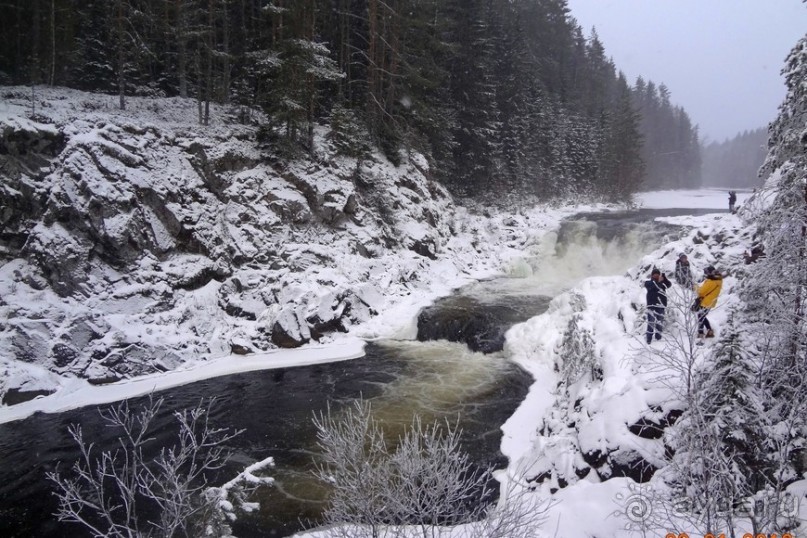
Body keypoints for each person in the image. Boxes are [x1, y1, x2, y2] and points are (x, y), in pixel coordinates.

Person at [645, 268, 672, 344]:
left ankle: (658, 338)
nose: (656, 275)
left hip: (661, 305)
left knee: (659, 323)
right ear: (652, 275)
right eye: (655, 274)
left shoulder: (663, 283)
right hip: (651, 306)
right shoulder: (648, 283)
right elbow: (654, 286)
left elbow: (669, 284)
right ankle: (649, 339)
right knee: (651, 323)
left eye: (658, 274)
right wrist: (659, 282)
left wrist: (664, 277)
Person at [696, 265, 723, 338]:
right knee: (702, 316)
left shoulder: (711, 281)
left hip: (705, 301)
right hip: (711, 302)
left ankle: (701, 333)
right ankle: (709, 331)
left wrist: (695, 287)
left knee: (700, 317)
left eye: (707, 272)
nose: (706, 274)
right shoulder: (718, 280)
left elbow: (701, 292)